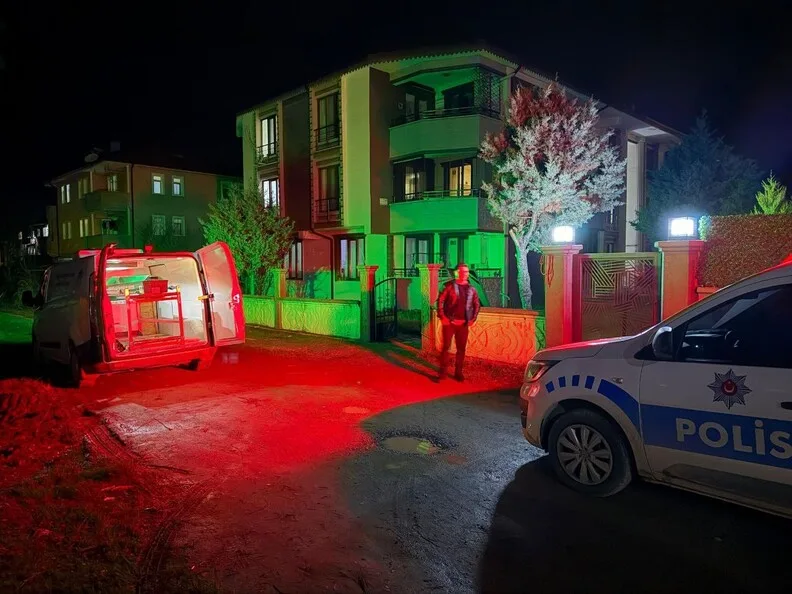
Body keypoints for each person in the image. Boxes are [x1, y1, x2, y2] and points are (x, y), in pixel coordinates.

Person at [436, 263, 480, 381]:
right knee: (446, 348)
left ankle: (458, 373)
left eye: (466, 272)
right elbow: (440, 301)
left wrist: (472, 319)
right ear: (457, 273)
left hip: (463, 324)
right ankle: (442, 373)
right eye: (462, 271)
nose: (465, 274)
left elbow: (477, 304)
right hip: (449, 323)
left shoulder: (472, 289)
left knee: (461, 350)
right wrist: (443, 317)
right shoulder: (449, 286)